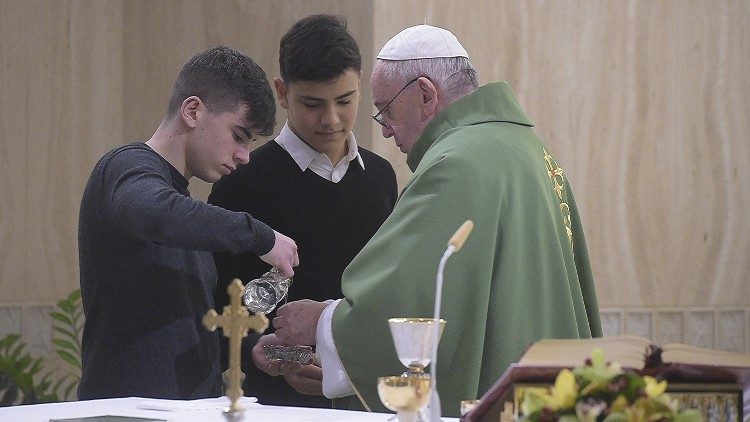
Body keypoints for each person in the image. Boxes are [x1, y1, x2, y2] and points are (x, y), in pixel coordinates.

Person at [255, 24, 603, 417]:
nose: (384, 129)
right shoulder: (533, 152)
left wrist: (323, 325)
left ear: (425, 94)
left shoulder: (456, 164)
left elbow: (412, 300)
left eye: (385, 110)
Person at [78, 45, 299, 400]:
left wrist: (248, 350)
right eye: (239, 136)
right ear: (193, 110)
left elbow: (182, 335)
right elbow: (156, 213)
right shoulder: (124, 169)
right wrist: (260, 236)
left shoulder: (185, 214)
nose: (244, 157)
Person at [208, 15, 397, 408]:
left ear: (361, 87)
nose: (331, 119)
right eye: (312, 104)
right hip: (275, 403)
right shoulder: (241, 182)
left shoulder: (380, 178)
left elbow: (384, 296)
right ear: (282, 93)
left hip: (365, 399)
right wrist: (276, 355)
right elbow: (221, 308)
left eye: (345, 101)